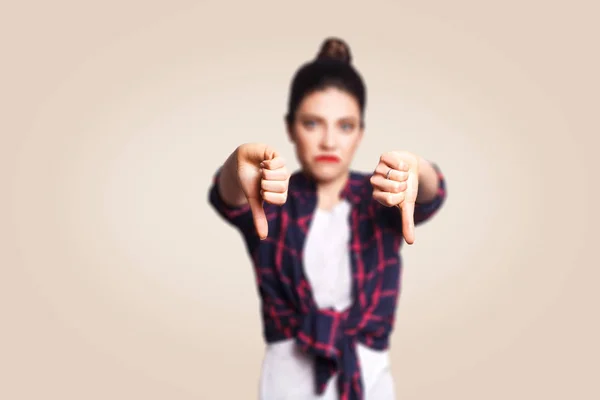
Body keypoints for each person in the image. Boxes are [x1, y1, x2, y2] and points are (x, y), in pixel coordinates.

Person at [208, 37, 447, 400]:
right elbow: (230, 197)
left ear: (361, 133)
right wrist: (234, 162)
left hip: (370, 383)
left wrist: (419, 168)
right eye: (312, 123)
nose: (330, 142)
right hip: (286, 385)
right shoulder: (273, 197)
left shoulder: (382, 195)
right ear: (290, 128)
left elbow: (431, 193)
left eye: (345, 126)